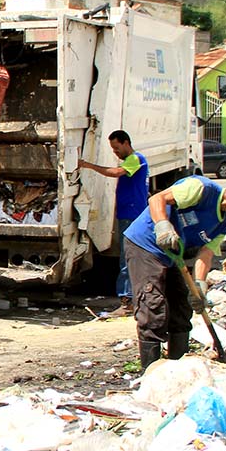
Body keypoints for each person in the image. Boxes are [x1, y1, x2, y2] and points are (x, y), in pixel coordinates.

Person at [124, 177, 226, 370]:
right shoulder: (201, 189)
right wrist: (162, 225)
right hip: (146, 244)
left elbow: (206, 254)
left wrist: (199, 285)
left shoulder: (222, 226)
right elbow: (157, 199)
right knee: (152, 306)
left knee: (182, 307)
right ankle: (151, 371)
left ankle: (178, 367)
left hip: (174, 253)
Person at [78, 129, 149, 317]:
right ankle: (132, 300)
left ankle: (127, 302)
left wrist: (88, 165)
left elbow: (116, 173)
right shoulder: (132, 160)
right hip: (128, 213)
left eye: (117, 148)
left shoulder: (135, 159)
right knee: (129, 257)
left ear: (126, 142)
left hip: (132, 215)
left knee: (127, 257)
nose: (115, 152)